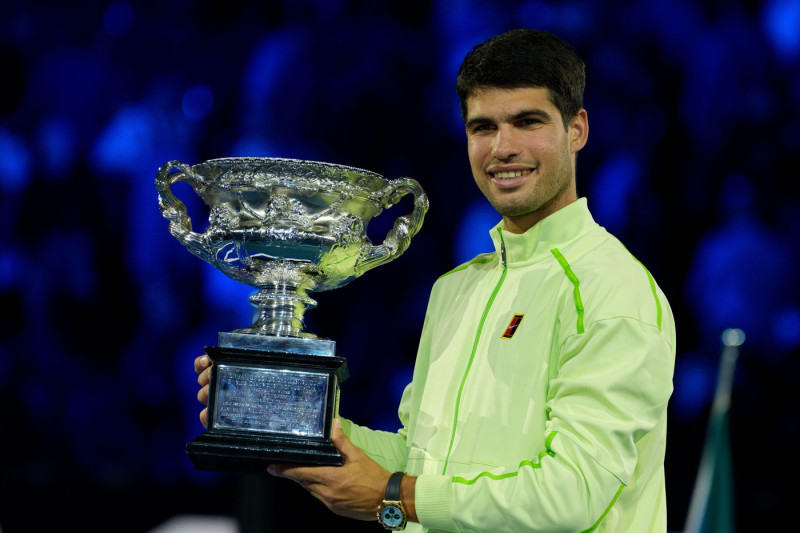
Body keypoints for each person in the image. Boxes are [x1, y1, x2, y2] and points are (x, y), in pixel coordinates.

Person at [195, 28, 676, 532]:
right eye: (483, 127)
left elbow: (571, 494)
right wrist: (286, 415)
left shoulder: (611, 289)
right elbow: (422, 457)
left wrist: (392, 496)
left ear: (576, 129)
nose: (503, 147)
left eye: (527, 121)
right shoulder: (455, 289)